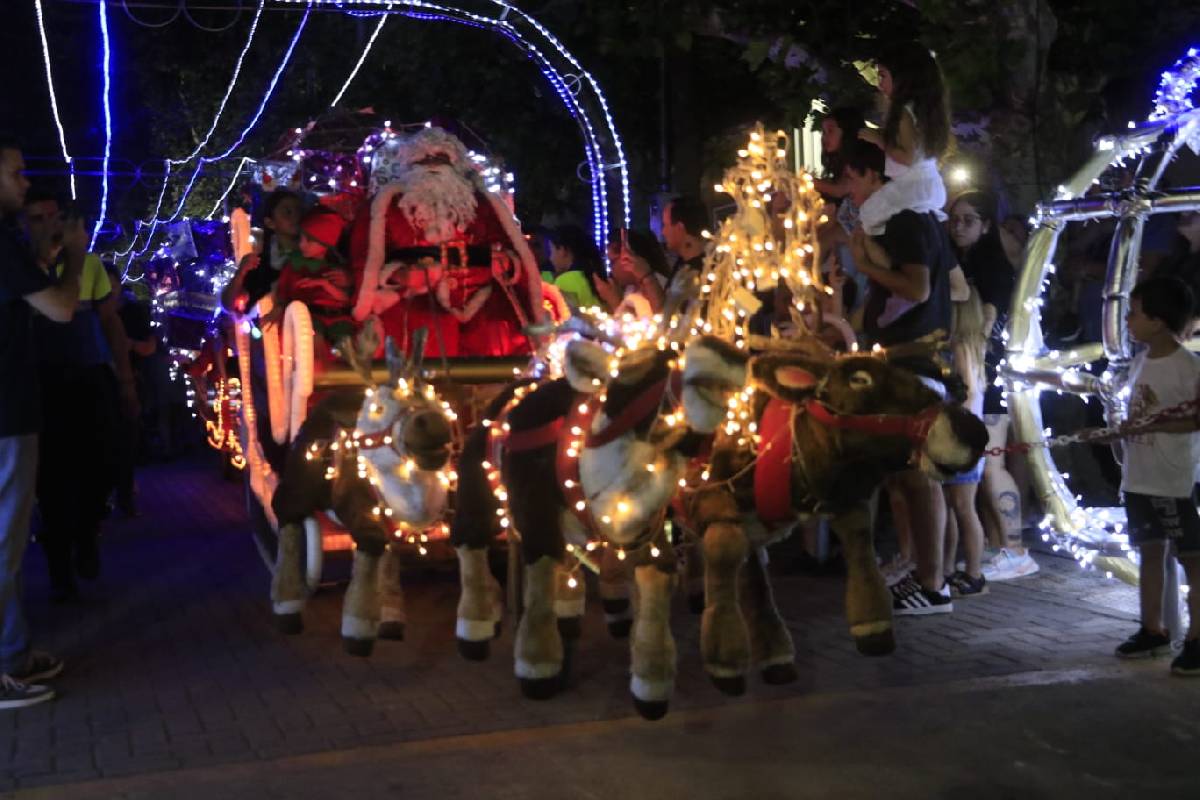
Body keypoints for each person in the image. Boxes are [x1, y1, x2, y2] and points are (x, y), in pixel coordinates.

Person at [842, 137, 956, 615]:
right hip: (900, 360)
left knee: (921, 479)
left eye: (851, 178)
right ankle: (929, 573)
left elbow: (918, 286)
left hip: (917, 363)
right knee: (911, 480)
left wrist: (866, 264)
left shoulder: (910, 219)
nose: (848, 190)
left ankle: (934, 584)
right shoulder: (904, 220)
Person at [0, 136, 79, 707]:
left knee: (7, 541)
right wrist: (74, 256)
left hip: (10, 409)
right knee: (3, 542)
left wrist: (44, 257)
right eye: (16, 174)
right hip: (4, 413)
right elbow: (59, 307)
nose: (25, 183)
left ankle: (14, 652)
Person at [1105, 277, 1200, 676]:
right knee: (1149, 553)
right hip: (1139, 478)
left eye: (1136, 312)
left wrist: (1146, 428)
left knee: (1193, 561)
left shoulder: (1188, 366)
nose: (1128, 319)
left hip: (1173, 481)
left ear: (1159, 321)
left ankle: (1196, 639)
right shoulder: (1142, 360)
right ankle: (1152, 629)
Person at [946, 190, 1040, 580]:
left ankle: (1015, 549)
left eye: (969, 220)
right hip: (980, 370)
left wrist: (977, 352)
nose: (958, 227)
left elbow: (988, 320)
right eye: (955, 219)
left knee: (992, 464)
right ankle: (1001, 545)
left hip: (988, 372)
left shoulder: (990, 265)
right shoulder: (972, 261)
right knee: (985, 465)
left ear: (987, 226)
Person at [857, 40, 952, 237]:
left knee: (866, 220)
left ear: (902, 78)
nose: (878, 83)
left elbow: (908, 157)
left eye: (882, 76)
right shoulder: (926, 111)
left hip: (913, 189)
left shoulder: (903, 112)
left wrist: (878, 139)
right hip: (930, 187)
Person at [941, 287, 990, 597]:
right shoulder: (971, 345)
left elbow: (968, 393)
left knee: (962, 506)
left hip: (961, 439)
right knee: (950, 506)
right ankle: (947, 568)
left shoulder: (960, 347)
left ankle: (974, 572)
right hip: (960, 437)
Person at [274, 206, 355, 345]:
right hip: (310, 318)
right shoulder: (294, 266)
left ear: (325, 244)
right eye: (301, 238)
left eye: (309, 240)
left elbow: (345, 298)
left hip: (340, 318)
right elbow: (283, 294)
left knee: (345, 342)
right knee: (312, 339)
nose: (301, 244)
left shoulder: (337, 270)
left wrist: (324, 284)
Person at [220, 189, 302, 316]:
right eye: (287, 212)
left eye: (299, 210)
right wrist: (241, 273)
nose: (295, 217)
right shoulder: (263, 264)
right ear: (270, 222)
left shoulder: (316, 252)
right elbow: (229, 304)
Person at [608, 229, 667, 317]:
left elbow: (662, 320)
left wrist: (613, 300)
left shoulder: (660, 285)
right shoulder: (630, 288)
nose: (611, 268)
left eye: (613, 262)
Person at [545, 224, 604, 311]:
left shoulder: (564, 281)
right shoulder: (598, 276)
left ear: (562, 250)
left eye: (551, 251)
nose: (550, 258)